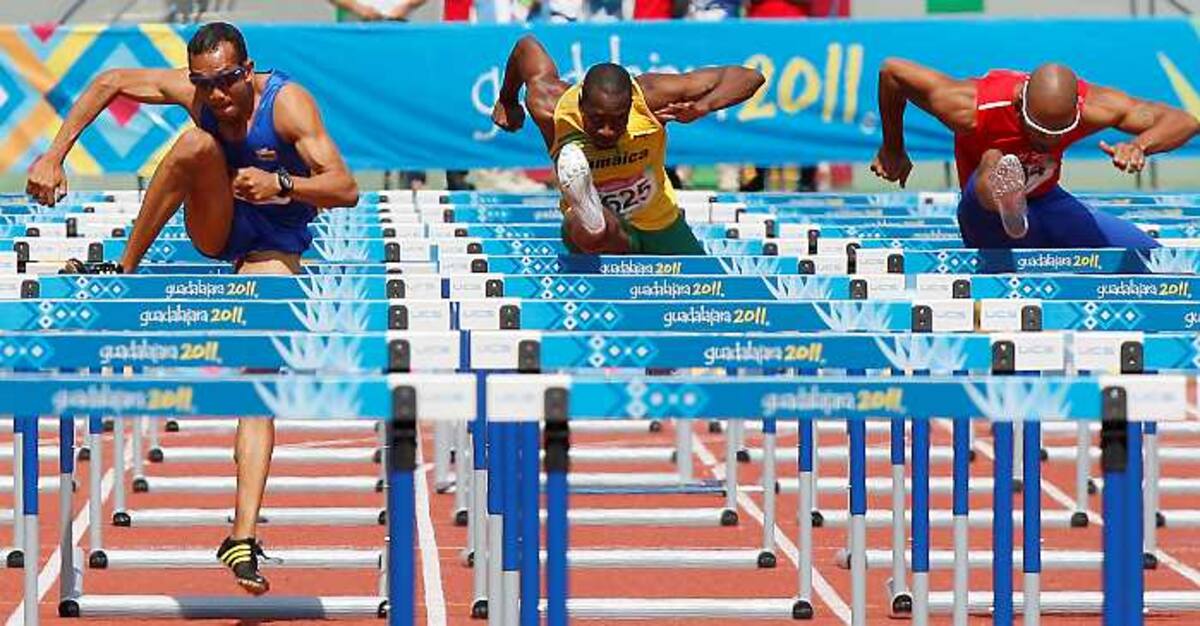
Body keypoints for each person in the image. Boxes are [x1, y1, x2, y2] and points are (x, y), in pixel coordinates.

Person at [25, 22, 359, 595]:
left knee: (258, 379)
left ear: (248, 71)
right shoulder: (199, 97)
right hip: (219, 222)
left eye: (228, 82)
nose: (218, 96)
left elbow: (345, 187)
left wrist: (281, 183)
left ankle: (242, 536)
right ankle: (125, 269)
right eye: (206, 85)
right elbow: (110, 80)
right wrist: (54, 155)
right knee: (195, 144)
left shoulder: (289, 106)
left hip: (274, 241)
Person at [870, 59, 1199, 249]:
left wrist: (1140, 145)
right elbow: (892, 73)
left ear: (1075, 112)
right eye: (1036, 129)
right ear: (1018, 106)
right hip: (984, 215)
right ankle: (1004, 193)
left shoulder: (1094, 107)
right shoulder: (971, 106)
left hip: (1046, 204)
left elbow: (1184, 121)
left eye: (1056, 134)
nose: (1044, 140)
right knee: (993, 159)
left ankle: (1017, 197)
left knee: (1151, 257)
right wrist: (893, 148)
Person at [491, 34, 764, 254]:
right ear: (581, 105)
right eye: (596, 120)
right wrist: (507, 98)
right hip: (602, 238)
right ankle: (591, 213)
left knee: (709, 299)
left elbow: (750, 77)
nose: (607, 130)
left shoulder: (651, 96)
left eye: (618, 120)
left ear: (630, 106)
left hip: (660, 223)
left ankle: (596, 216)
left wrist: (702, 107)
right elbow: (525, 47)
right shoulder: (554, 108)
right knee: (585, 227)